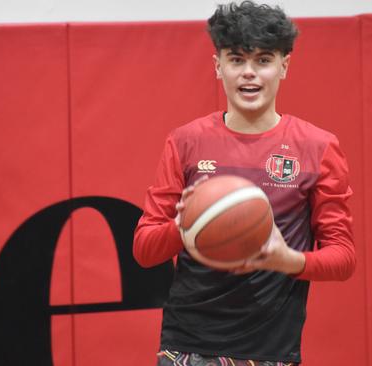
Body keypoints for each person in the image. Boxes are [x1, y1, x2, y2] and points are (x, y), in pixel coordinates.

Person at [133, 1, 356, 365]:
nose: (249, 73)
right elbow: (144, 249)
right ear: (217, 66)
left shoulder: (318, 147)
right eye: (236, 60)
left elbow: (343, 257)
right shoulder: (186, 141)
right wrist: (183, 226)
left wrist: (290, 261)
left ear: (284, 65)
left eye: (263, 60)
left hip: (270, 348)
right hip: (186, 345)